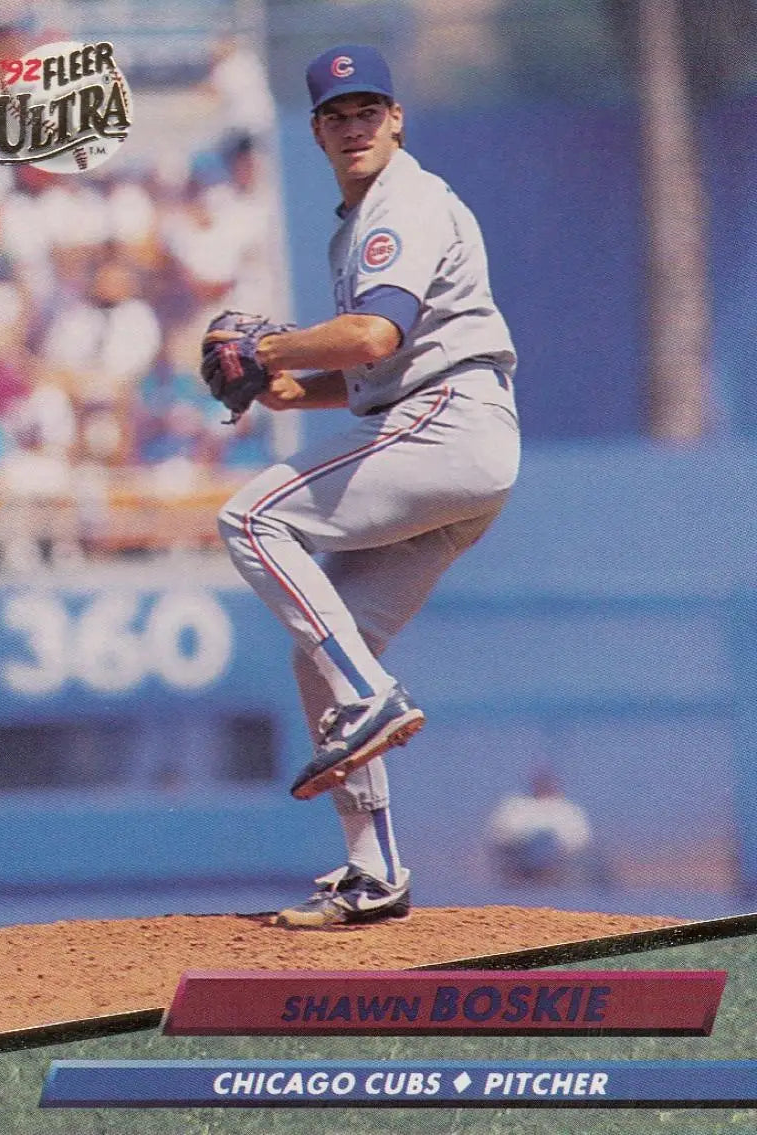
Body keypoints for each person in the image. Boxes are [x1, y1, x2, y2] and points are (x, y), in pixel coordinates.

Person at [217, 44, 520, 928]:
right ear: (316, 132)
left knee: (250, 515)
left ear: (397, 120)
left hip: (449, 423)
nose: (354, 126)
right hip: (444, 436)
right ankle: (374, 870)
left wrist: (270, 347)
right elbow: (365, 371)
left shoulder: (405, 202)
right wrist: (286, 384)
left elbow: (374, 339)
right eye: (336, 115)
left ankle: (371, 693)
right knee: (319, 649)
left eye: (368, 110)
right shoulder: (356, 226)